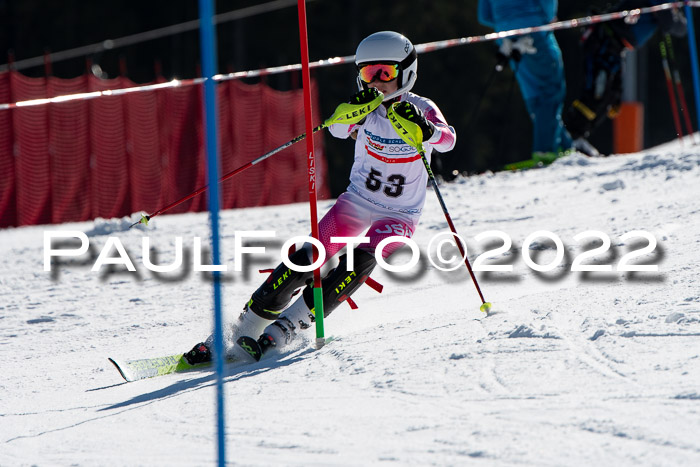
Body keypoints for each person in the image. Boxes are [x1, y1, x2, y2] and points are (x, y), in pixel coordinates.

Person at [185, 31, 457, 364]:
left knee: (359, 264)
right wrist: (353, 111)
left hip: (399, 216)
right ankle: (246, 326)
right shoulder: (366, 109)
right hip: (357, 203)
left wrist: (428, 131)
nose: (377, 82)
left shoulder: (422, 108)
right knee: (308, 257)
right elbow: (336, 129)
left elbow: (448, 141)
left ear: (407, 73)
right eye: (368, 74)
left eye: (384, 73)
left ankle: (286, 327)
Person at [564, 0, 687, 144]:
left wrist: (675, 11)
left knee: (611, 97)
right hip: (603, 40)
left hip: (616, 48)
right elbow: (669, 23)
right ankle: (570, 136)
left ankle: (576, 137)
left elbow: (680, 28)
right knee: (596, 94)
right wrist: (673, 11)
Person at [478, 0, 574, 163]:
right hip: (534, 34)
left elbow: (484, 16)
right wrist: (546, 18)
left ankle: (565, 147)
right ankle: (546, 151)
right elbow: (548, 6)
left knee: (534, 93)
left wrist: (505, 23)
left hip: (507, 38)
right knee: (551, 93)